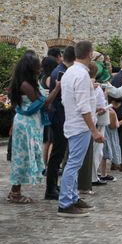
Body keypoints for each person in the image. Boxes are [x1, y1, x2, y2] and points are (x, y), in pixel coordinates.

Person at [57, 40, 104, 217]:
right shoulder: (82, 75)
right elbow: (83, 106)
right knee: (73, 164)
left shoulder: (70, 72)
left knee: (73, 163)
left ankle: (73, 196)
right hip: (81, 125)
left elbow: (67, 100)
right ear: (90, 54)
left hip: (72, 122)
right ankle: (65, 202)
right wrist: (94, 130)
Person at [7, 54, 60, 203]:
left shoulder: (25, 82)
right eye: (38, 65)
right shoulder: (26, 85)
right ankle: (15, 193)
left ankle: (14, 191)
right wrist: (57, 89)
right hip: (26, 125)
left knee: (23, 157)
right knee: (22, 158)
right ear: (31, 68)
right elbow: (43, 104)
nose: (41, 68)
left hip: (28, 123)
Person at [45, 46, 75, 200]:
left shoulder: (60, 70)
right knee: (57, 154)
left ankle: (52, 186)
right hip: (59, 116)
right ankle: (50, 189)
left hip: (58, 115)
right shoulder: (62, 72)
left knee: (58, 153)